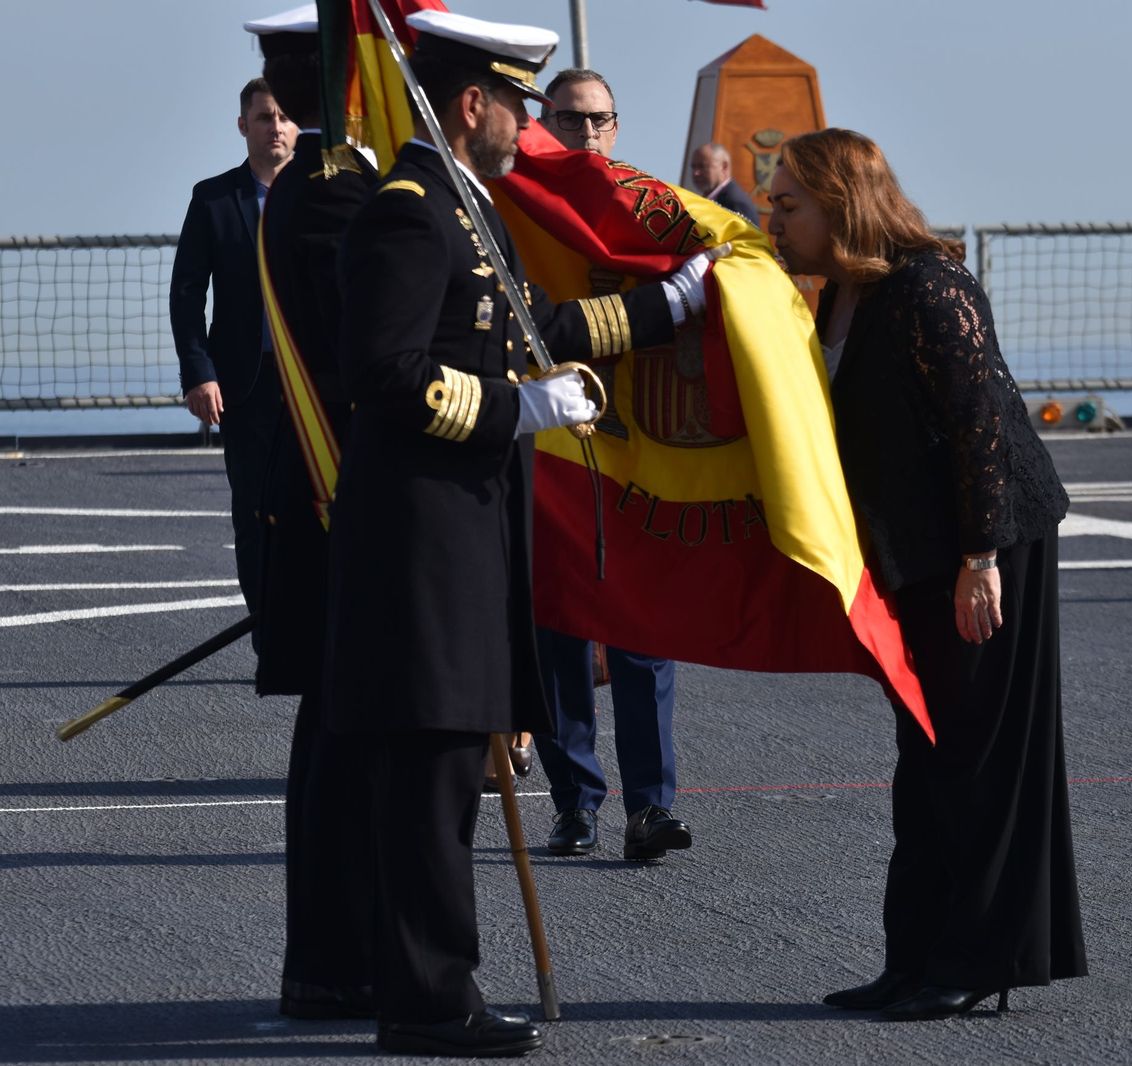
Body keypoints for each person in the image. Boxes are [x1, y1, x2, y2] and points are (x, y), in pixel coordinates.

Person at [325, 10, 720, 1055]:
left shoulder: (466, 209)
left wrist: (668, 305)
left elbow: (539, 323)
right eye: (517, 106)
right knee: (431, 775)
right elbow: (384, 374)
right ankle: (427, 998)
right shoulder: (411, 212)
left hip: (465, 533)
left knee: (451, 768)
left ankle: (426, 985)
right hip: (422, 544)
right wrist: (518, 410)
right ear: (472, 105)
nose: (528, 127)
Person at [769, 128, 1087, 1021]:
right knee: (926, 756)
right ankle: (912, 957)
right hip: (921, 552)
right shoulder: (842, 292)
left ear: (840, 203)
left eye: (788, 204)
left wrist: (980, 559)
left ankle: (976, 960)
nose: (773, 220)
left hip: (986, 548)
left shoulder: (928, 285)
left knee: (975, 757)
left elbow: (979, 420)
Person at [246, 5, 380, 1023]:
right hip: (355, 504)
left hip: (332, 502)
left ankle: (333, 963)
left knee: (340, 741)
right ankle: (344, 964)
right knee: (356, 746)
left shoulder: (316, 181)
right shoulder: (338, 188)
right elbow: (364, 361)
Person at [530, 67, 691, 863]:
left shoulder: (655, 211)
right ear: (542, 124)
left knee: (643, 637)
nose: (587, 134)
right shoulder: (516, 213)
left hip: (638, 453)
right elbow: (533, 323)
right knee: (559, 636)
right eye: (571, 120)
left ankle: (651, 808)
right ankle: (574, 803)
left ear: (617, 127)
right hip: (551, 448)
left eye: (599, 120)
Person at [170, 76, 296, 620]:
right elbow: (186, 293)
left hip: (318, 386)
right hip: (247, 385)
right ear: (243, 126)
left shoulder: (327, 196)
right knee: (254, 513)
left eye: (284, 117)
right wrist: (199, 373)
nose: (275, 127)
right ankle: (269, 633)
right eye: (264, 117)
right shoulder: (214, 199)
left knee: (325, 510)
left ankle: (318, 638)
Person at [689, 142, 759, 224]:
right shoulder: (709, 200)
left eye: (702, 166)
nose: (696, 173)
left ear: (724, 167)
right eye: (693, 167)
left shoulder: (735, 203)